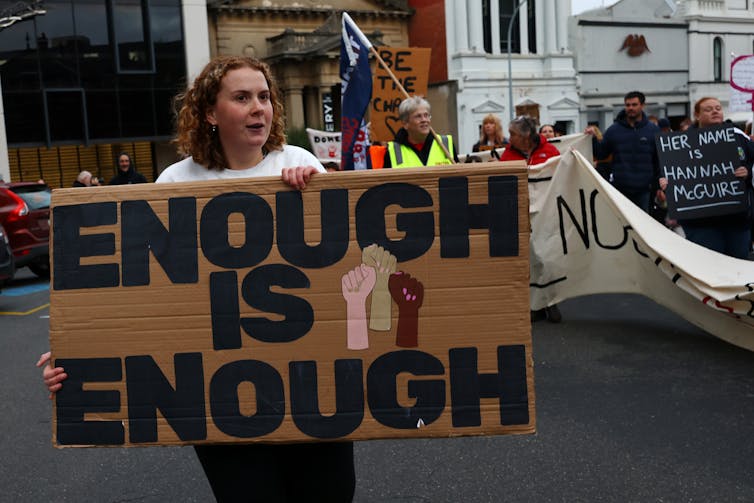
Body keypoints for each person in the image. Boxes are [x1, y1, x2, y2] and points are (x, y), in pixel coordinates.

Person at [37, 55, 354, 503]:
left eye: (264, 97)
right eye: (242, 98)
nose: (258, 107)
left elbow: (342, 272)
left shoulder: (301, 163)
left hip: (313, 389)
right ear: (209, 112)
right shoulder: (175, 181)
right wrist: (83, 347)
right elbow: (147, 290)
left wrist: (318, 189)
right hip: (223, 398)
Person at [658, 97, 753, 259]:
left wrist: (748, 173)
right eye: (708, 109)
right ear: (697, 115)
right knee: (710, 267)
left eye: (718, 108)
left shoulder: (737, 136)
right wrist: (666, 183)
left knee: (739, 267)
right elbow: (673, 172)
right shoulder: (681, 143)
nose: (715, 111)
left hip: (736, 220)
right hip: (701, 224)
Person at [499, 115, 562, 323]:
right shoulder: (507, 155)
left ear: (526, 136)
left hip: (546, 213)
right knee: (530, 259)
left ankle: (552, 301)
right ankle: (535, 305)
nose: (509, 138)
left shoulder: (550, 151)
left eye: (513, 134)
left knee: (548, 257)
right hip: (520, 213)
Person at [585, 91, 660, 213]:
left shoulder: (653, 130)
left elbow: (659, 161)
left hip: (645, 191)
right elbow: (601, 154)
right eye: (628, 105)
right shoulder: (614, 130)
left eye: (634, 105)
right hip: (621, 190)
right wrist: (592, 139)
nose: (630, 108)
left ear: (642, 105)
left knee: (644, 228)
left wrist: (657, 185)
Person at [383, 96, 457, 168]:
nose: (424, 120)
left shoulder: (445, 143)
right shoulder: (393, 151)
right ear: (405, 123)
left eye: (426, 115)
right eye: (418, 116)